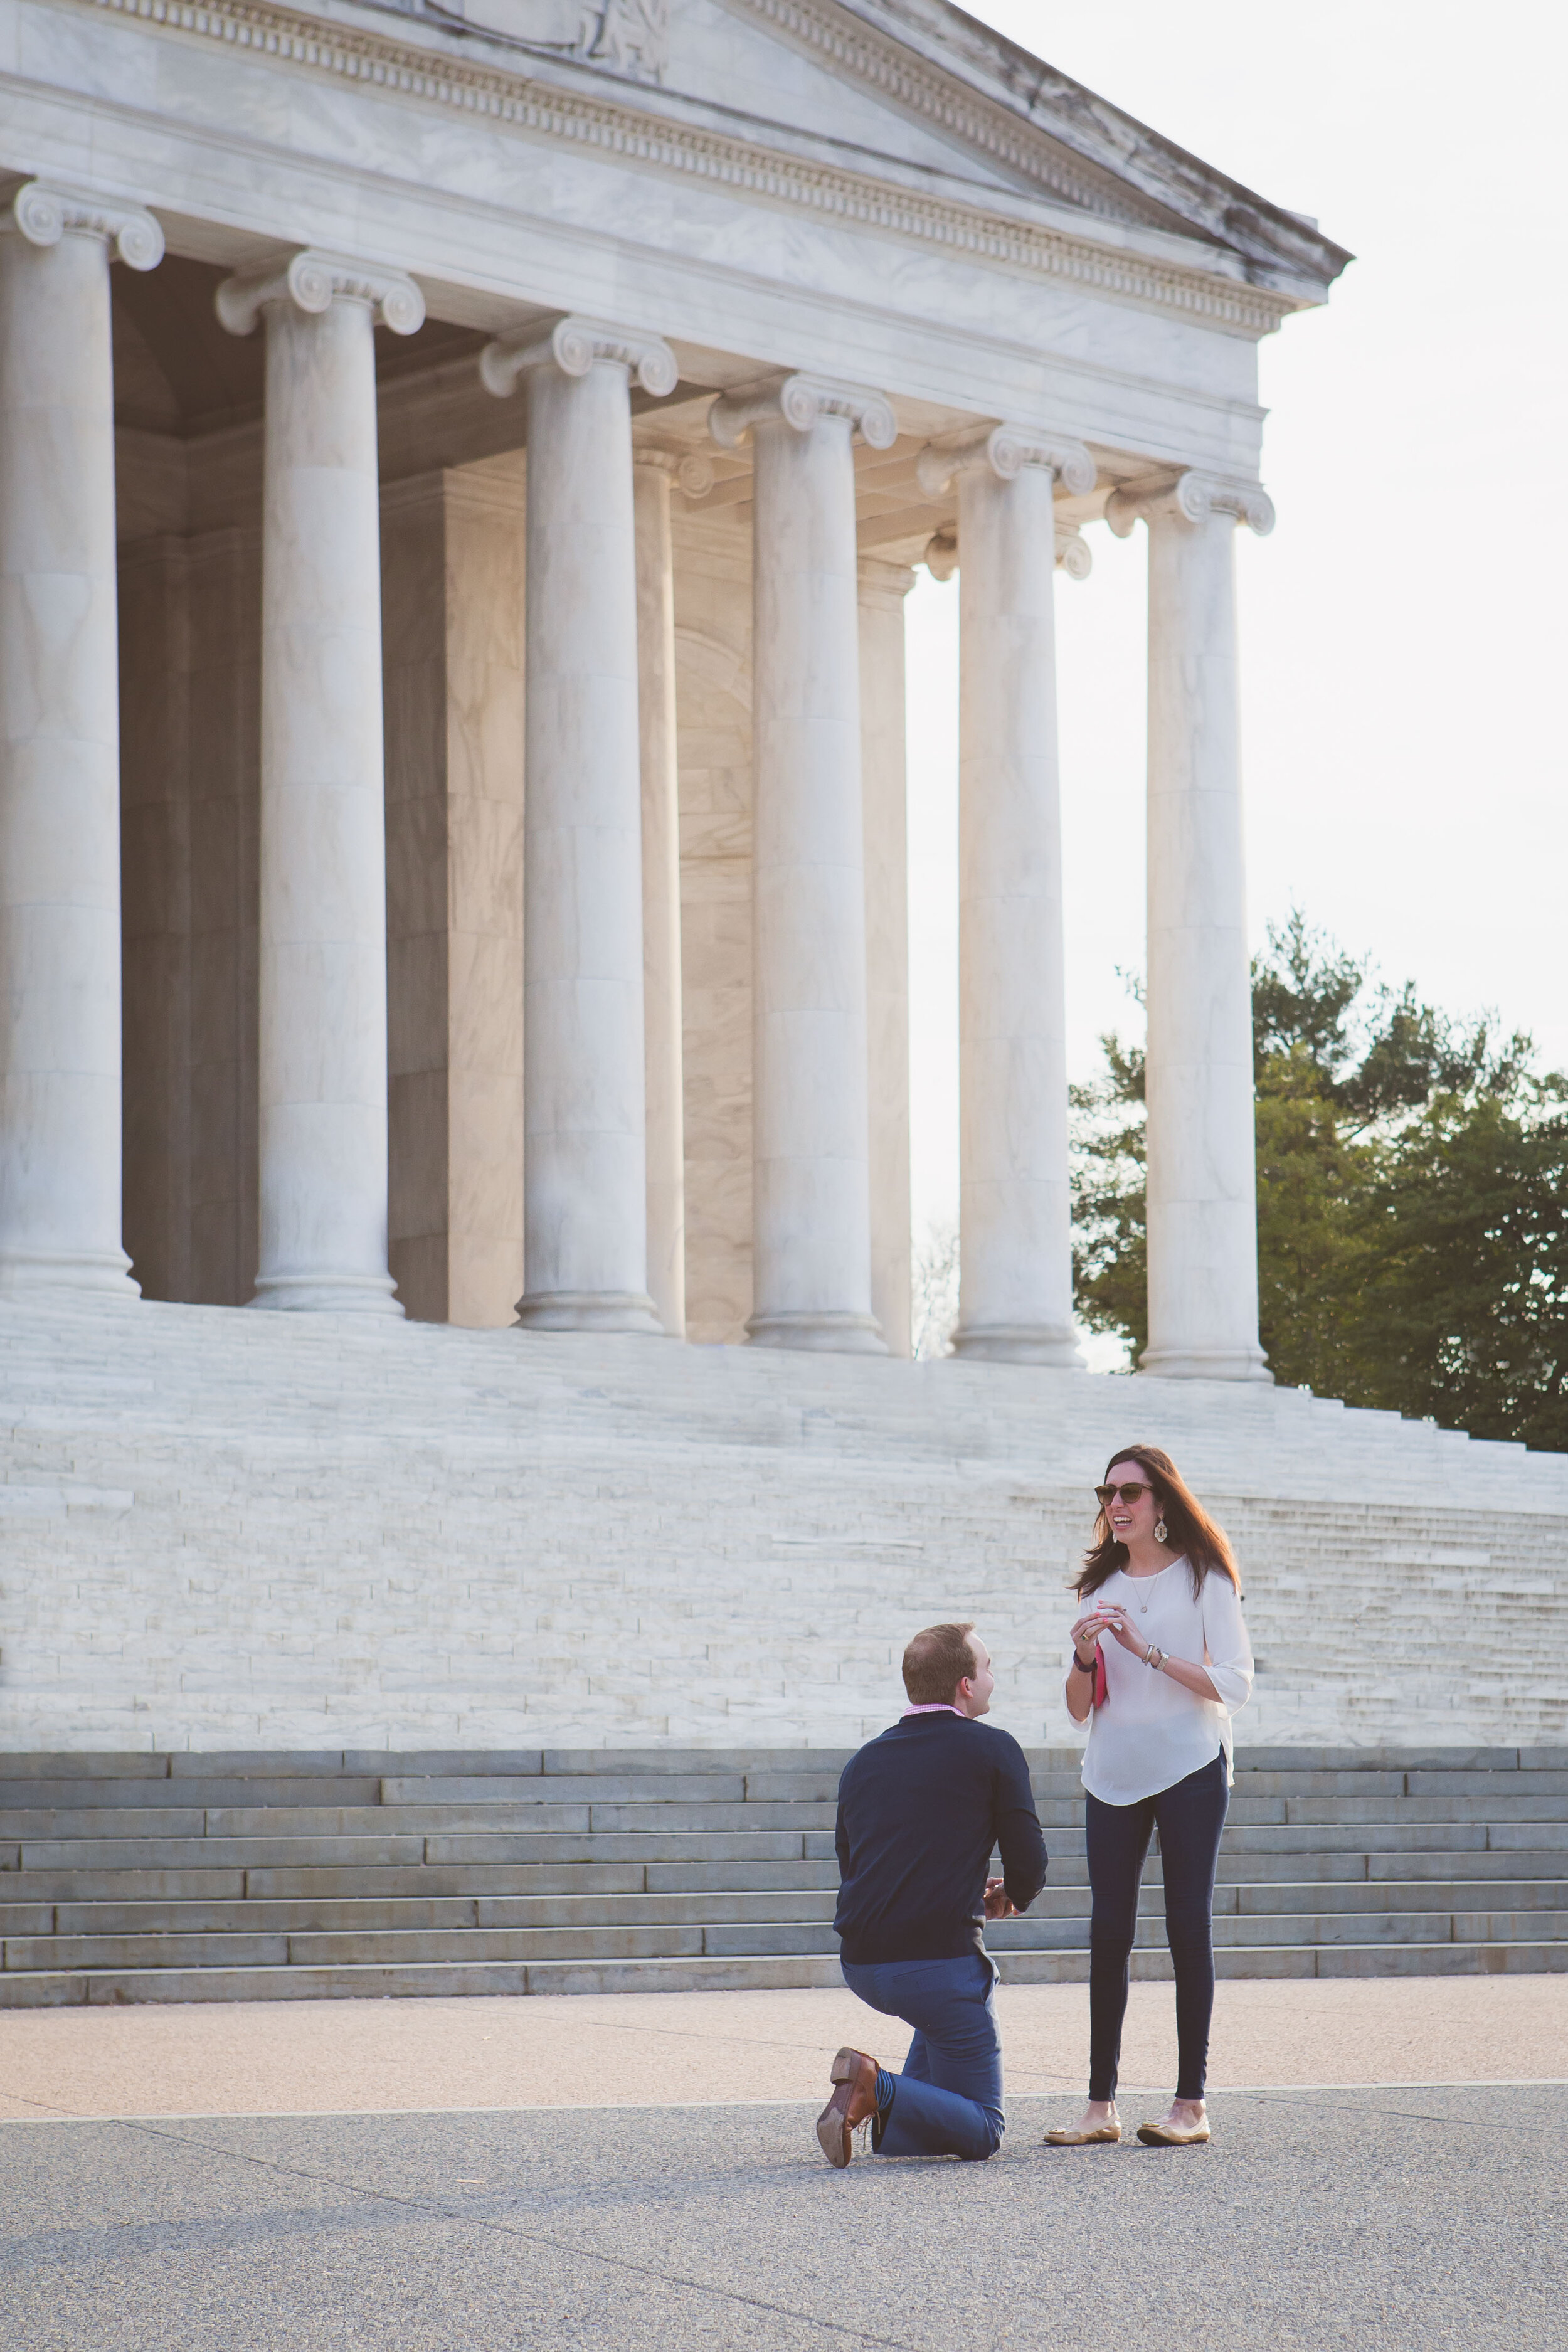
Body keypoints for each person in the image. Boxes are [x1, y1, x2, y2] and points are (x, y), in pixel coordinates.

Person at [1046, 1444, 1253, 2151]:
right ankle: (1098, 2105)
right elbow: (1079, 1708)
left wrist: (1148, 1652)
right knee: (1109, 1933)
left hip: (1190, 1764)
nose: (1117, 1504)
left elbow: (1235, 1683)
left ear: (1162, 1502)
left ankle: (1189, 2106)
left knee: (1185, 1926)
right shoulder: (1096, 1584)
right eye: (1108, 1492)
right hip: (1112, 1770)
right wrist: (1082, 1656)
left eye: (1131, 1492)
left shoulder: (1205, 1577)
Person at [815, 1621, 1047, 2168]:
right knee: (985, 2129)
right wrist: (1011, 1894)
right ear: (966, 1685)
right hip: (936, 1965)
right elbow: (1030, 1866)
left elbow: (856, 1865)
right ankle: (875, 2086)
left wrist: (965, 1892)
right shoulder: (993, 1749)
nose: (994, 1677)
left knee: (936, 2031)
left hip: (863, 1963)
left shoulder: (864, 1760)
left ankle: (889, 2115)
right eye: (987, 1668)